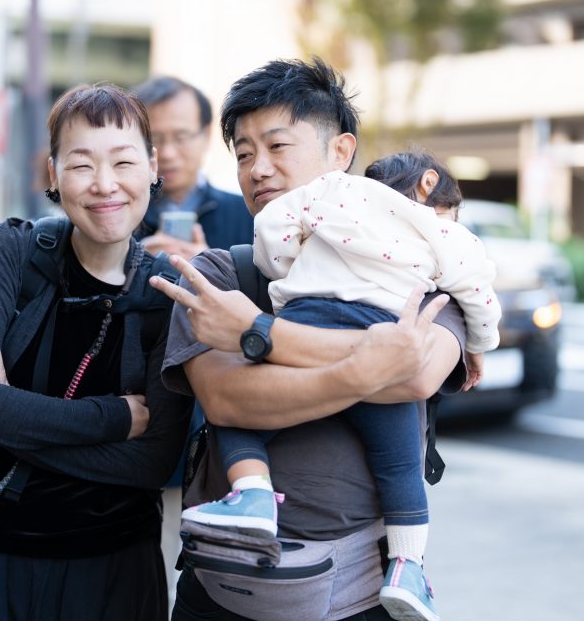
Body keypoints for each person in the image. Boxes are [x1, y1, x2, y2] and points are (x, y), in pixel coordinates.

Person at [149, 58, 468, 621]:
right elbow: (228, 399)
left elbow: (416, 372)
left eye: (277, 146)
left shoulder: (418, 267)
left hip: (364, 596)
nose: (257, 169)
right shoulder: (220, 274)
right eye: (243, 154)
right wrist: (368, 368)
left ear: (340, 153)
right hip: (224, 593)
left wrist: (256, 332)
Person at [0, 84, 192, 621]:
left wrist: (4, 417)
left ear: (151, 166)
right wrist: (114, 416)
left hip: (108, 574)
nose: (105, 184)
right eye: (81, 165)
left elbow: (152, 461)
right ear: (52, 173)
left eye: (123, 161)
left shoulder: (168, 293)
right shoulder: (12, 252)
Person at [180, 150, 501, 621]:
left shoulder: (332, 191)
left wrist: (293, 266)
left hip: (307, 314)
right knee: (399, 468)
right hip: (384, 335)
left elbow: (273, 230)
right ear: (430, 183)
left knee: (242, 419)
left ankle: (252, 494)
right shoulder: (445, 232)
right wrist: (479, 343)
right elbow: (480, 292)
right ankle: (408, 568)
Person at [132, 76, 253, 259]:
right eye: (154, 139)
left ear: (206, 135)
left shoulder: (248, 215)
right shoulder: (119, 215)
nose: (167, 153)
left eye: (181, 137)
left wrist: (214, 267)